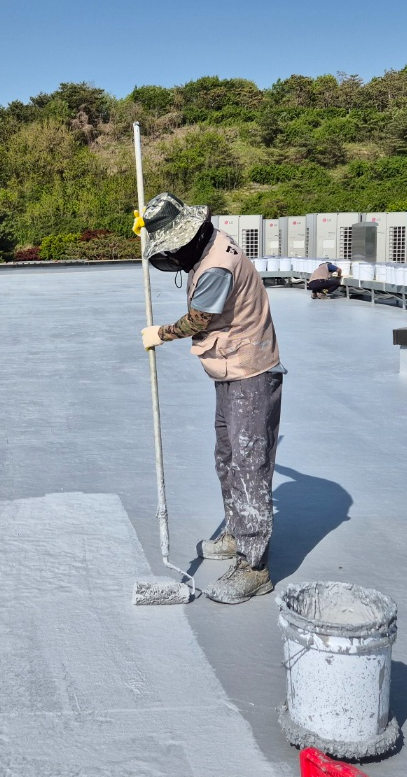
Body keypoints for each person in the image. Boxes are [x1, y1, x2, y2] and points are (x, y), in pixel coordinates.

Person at [136, 193, 284, 604]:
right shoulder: (211, 242)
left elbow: (200, 319)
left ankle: (254, 566)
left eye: (172, 248)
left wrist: (161, 333)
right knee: (228, 456)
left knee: (250, 465)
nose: (171, 257)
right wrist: (147, 225)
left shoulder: (217, 266)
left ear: (191, 236)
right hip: (231, 368)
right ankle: (237, 532)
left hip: (251, 372)